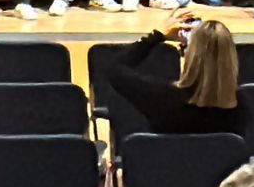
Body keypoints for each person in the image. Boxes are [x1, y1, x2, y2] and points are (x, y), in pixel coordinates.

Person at [105, 10, 246, 136]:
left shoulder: (162, 98)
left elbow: (115, 69)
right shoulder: (241, 106)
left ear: (190, 55)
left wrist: (156, 36)